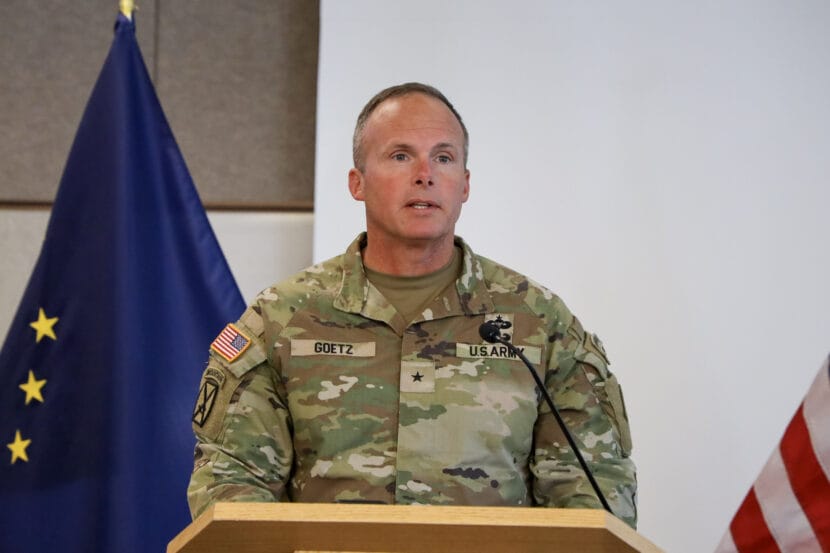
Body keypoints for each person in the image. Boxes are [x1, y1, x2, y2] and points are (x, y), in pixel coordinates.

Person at [187, 82, 637, 527]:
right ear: (356, 183)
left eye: (443, 157)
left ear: (464, 185)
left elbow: (594, 497)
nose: (425, 174)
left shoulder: (538, 322)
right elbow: (231, 486)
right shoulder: (282, 319)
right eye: (401, 155)